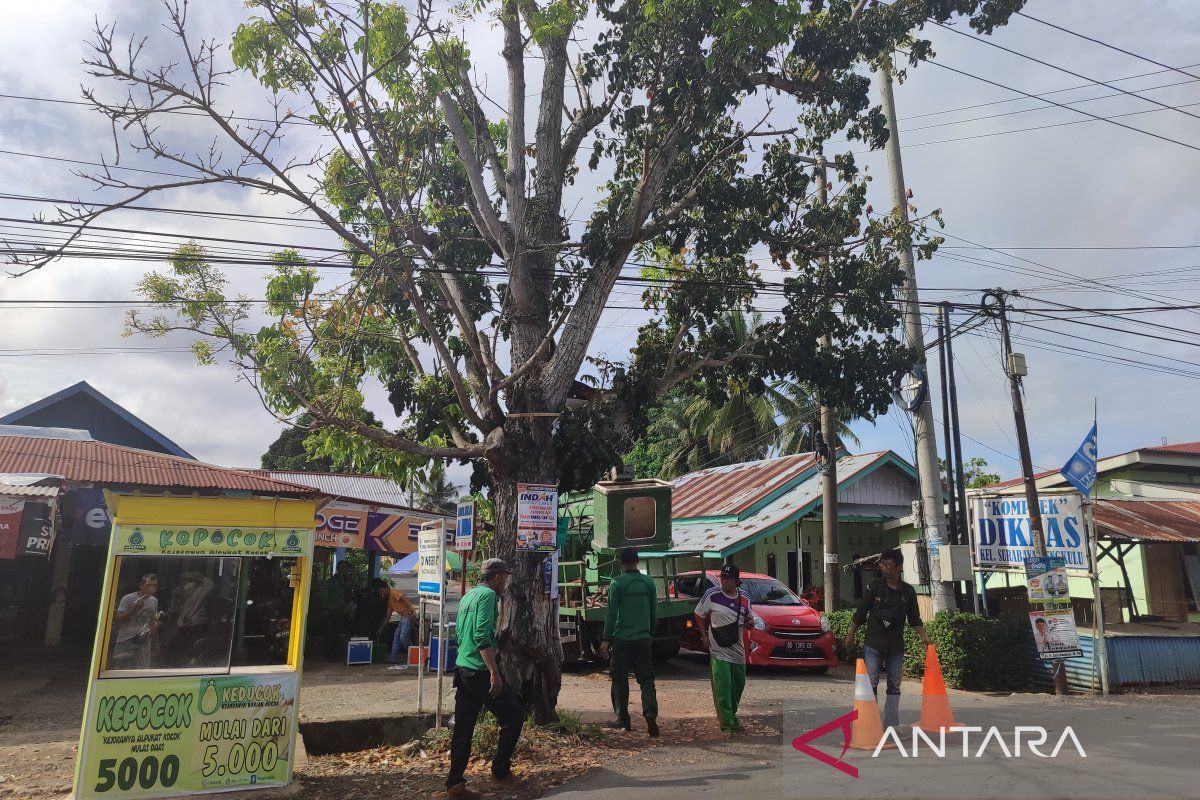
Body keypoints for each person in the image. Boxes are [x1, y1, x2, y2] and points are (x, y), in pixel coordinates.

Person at [446, 558, 524, 800]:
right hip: (479, 670)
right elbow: (482, 635)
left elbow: (460, 631)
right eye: (506, 578)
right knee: (513, 717)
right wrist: (493, 671)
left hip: (463, 668)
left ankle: (455, 785)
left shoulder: (468, 596)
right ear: (497, 576)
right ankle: (500, 772)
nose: (506, 583)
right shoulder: (489, 596)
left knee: (463, 728)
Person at [844, 547, 931, 730]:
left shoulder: (907, 592)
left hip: (896, 645)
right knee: (871, 682)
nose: (884, 568)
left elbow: (914, 617)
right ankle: (869, 721)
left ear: (899, 567)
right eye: (882, 564)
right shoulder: (874, 587)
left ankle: (891, 724)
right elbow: (861, 612)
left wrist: (923, 636)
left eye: (889, 565)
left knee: (894, 686)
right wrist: (851, 633)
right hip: (874, 643)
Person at [694, 563, 761, 735]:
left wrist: (750, 623)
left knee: (738, 685)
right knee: (722, 686)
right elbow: (699, 614)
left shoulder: (745, 598)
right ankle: (727, 725)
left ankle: (732, 715)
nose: (725, 581)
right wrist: (704, 636)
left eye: (729, 578)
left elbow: (749, 617)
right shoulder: (712, 594)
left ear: (736, 581)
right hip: (718, 649)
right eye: (723, 577)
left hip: (737, 649)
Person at [599, 546, 660, 736]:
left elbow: (611, 613)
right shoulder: (649, 583)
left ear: (621, 562)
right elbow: (654, 612)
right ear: (638, 561)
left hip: (621, 639)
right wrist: (649, 633)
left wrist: (606, 639)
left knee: (619, 679)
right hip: (642, 638)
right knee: (647, 680)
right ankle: (650, 712)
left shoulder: (617, 584)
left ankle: (624, 720)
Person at [111, 573, 159, 669]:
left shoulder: (154, 601)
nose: (151, 588)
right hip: (126, 639)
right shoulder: (129, 598)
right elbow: (119, 620)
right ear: (141, 585)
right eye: (148, 585)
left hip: (144, 640)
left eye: (154, 586)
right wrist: (133, 609)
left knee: (143, 670)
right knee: (121, 670)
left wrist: (156, 642)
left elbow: (152, 622)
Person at [321, 560, 358, 662]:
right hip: (333, 610)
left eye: (345, 568)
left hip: (344, 610)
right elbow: (325, 596)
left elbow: (352, 591)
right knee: (331, 633)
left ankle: (338, 654)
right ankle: (329, 654)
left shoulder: (348, 581)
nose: (344, 570)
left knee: (340, 632)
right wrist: (325, 609)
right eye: (342, 567)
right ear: (338, 569)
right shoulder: (331, 581)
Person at [384, 584, 417, 664]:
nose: (382, 594)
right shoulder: (389, 601)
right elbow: (388, 615)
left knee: (403, 636)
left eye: (382, 591)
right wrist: (382, 627)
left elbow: (404, 598)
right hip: (403, 616)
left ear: (386, 588)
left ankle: (415, 654)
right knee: (396, 636)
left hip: (408, 615)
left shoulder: (393, 592)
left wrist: (410, 610)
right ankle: (393, 657)